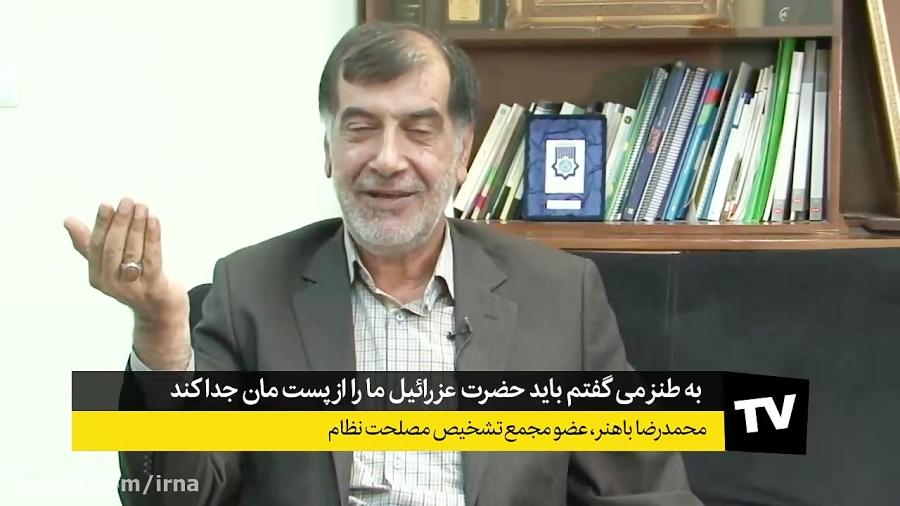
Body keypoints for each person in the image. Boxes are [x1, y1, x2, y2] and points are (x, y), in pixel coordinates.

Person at [64, 22, 701, 506]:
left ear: (462, 152)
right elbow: (171, 497)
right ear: (328, 149)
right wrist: (160, 334)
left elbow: (648, 493)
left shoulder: (560, 296)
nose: (388, 160)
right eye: (360, 128)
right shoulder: (248, 291)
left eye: (419, 130)